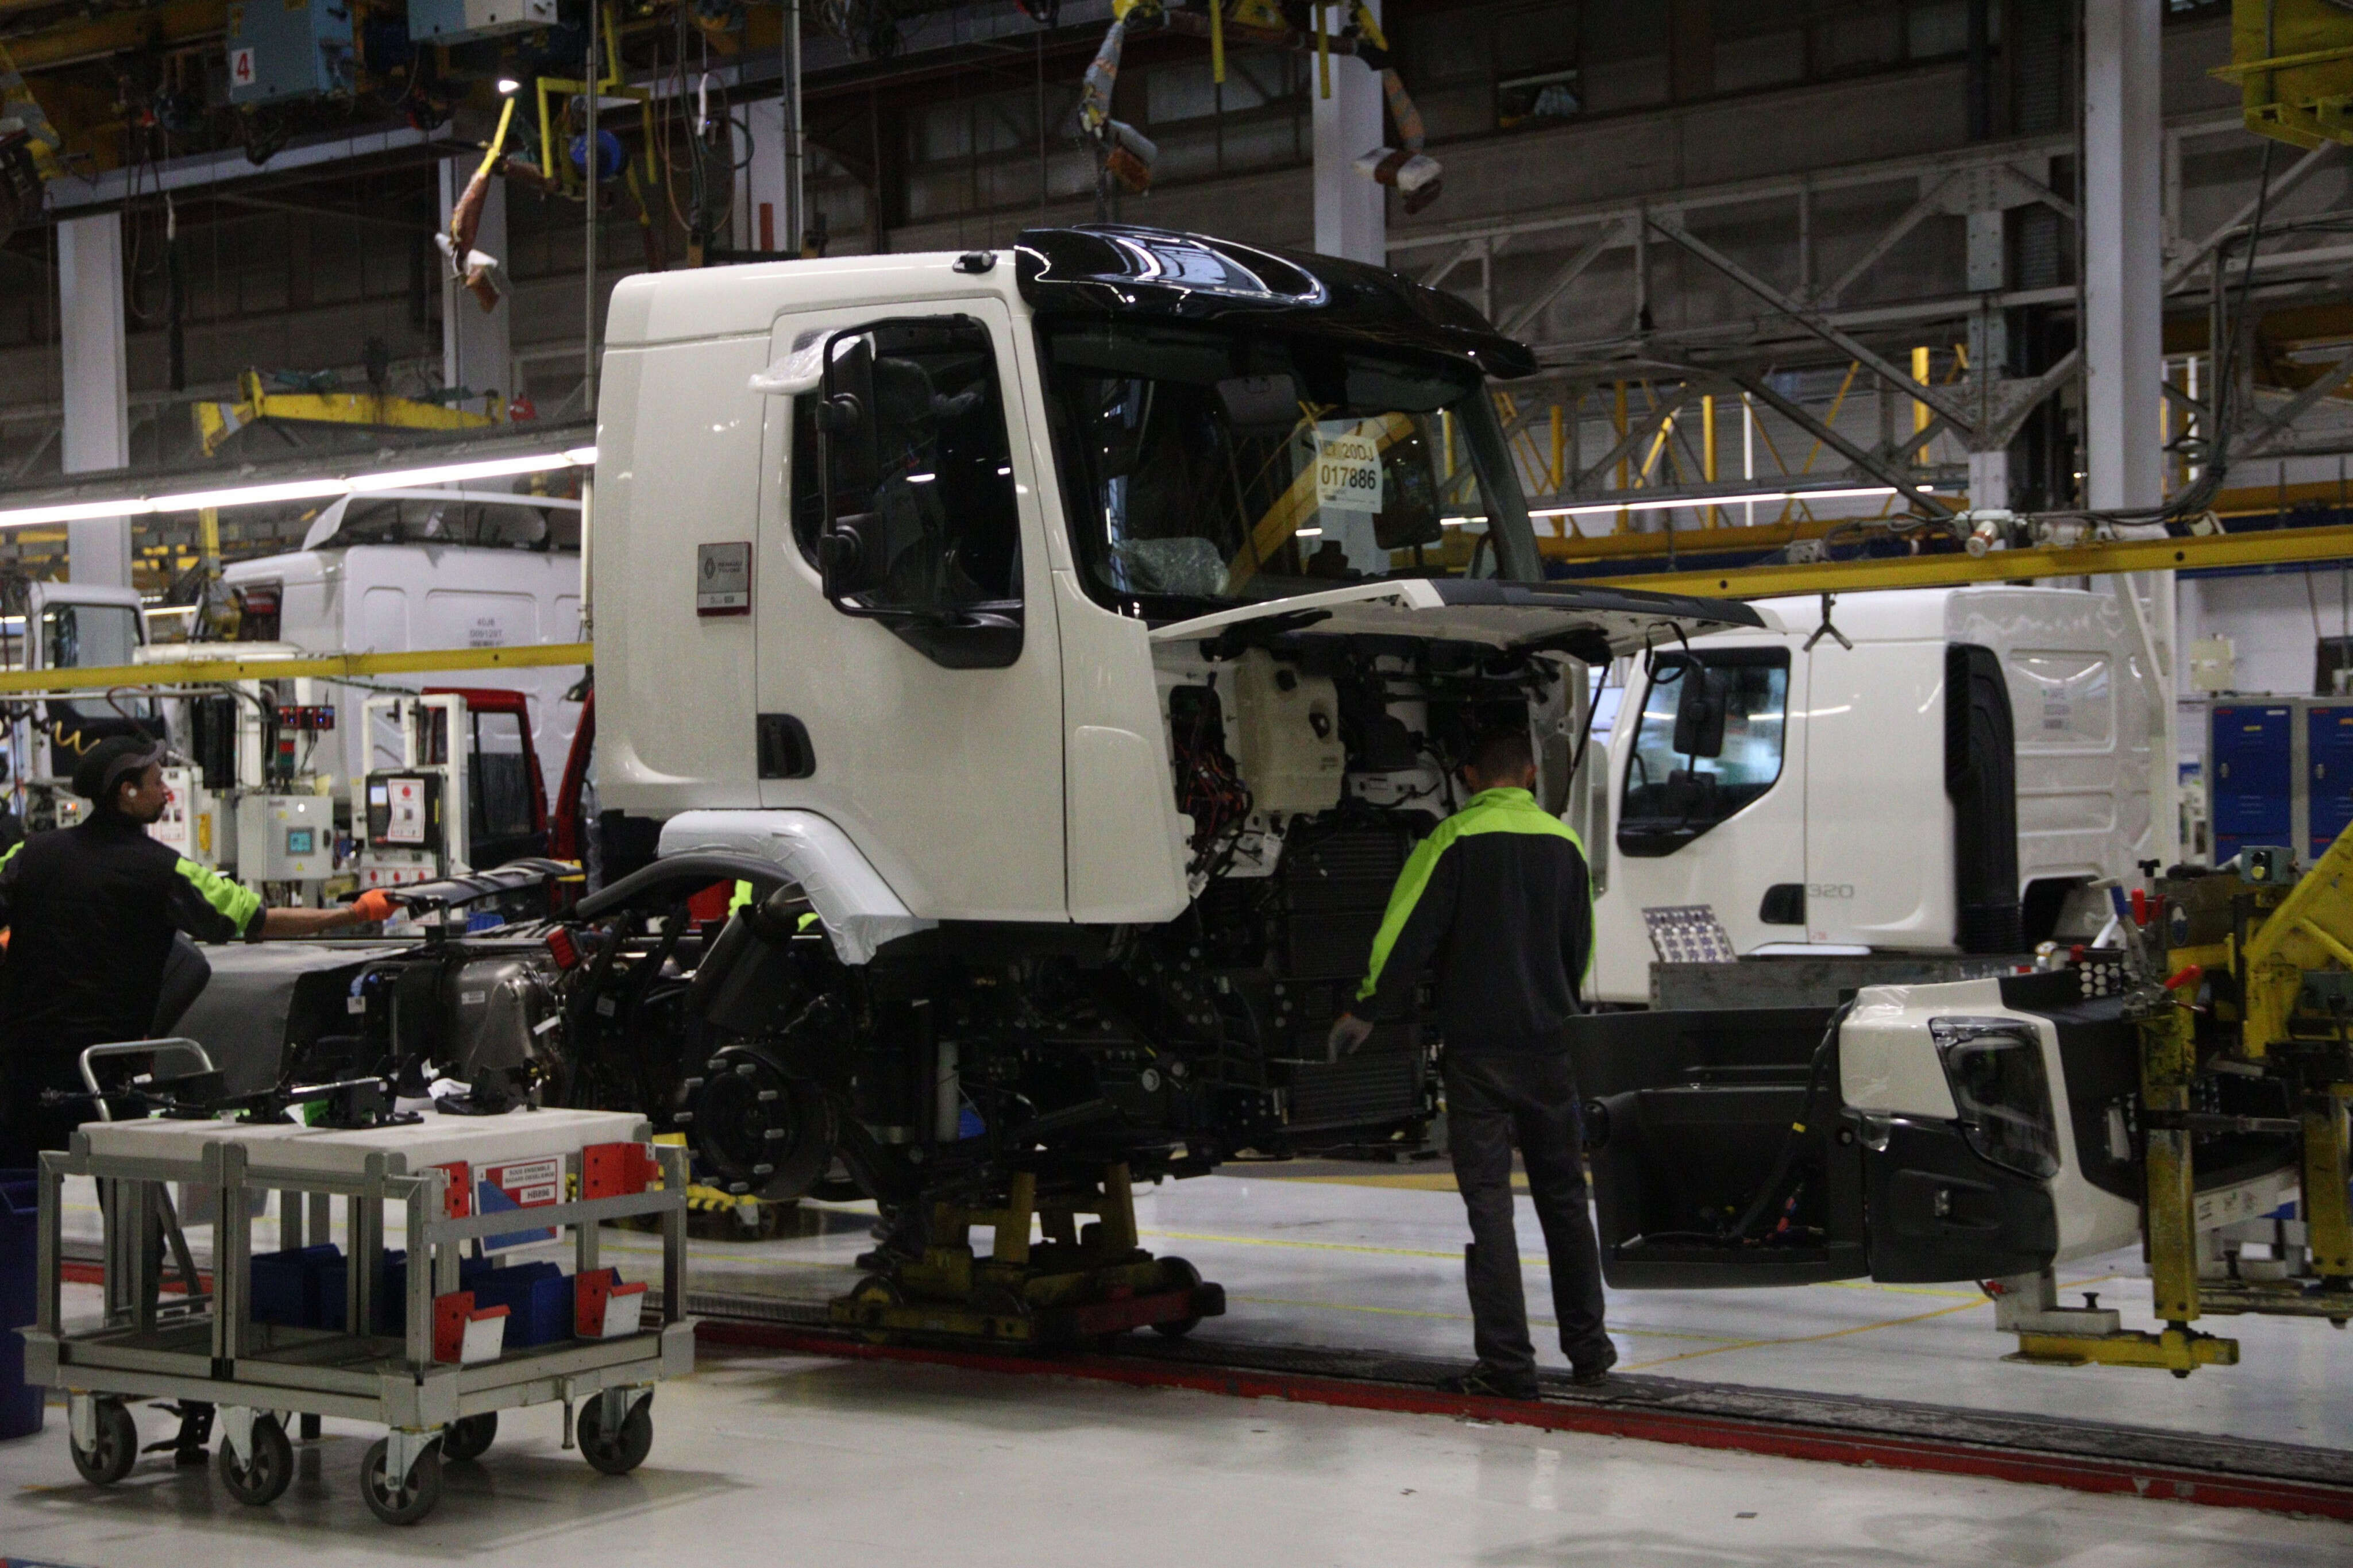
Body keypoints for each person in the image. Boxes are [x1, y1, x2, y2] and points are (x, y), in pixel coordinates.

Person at [1330, 727, 1614, 1399]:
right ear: (1532, 776)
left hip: (1480, 1055)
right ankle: (1589, 1351)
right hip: (1551, 1049)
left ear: (1467, 776)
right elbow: (1581, 950)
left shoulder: (1452, 840)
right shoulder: (1567, 845)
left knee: (1490, 1206)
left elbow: (1405, 932)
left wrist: (1365, 1008)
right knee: (1565, 1201)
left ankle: (1508, 1365)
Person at [0, 736, 396, 1167]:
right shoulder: (163, 871)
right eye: (156, 783)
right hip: (106, 1075)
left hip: (23, 1072)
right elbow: (257, 919)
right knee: (130, 1209)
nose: (167, 792)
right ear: (126, 793)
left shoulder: (30, 855)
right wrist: (352, 914)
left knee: (17, 1199)